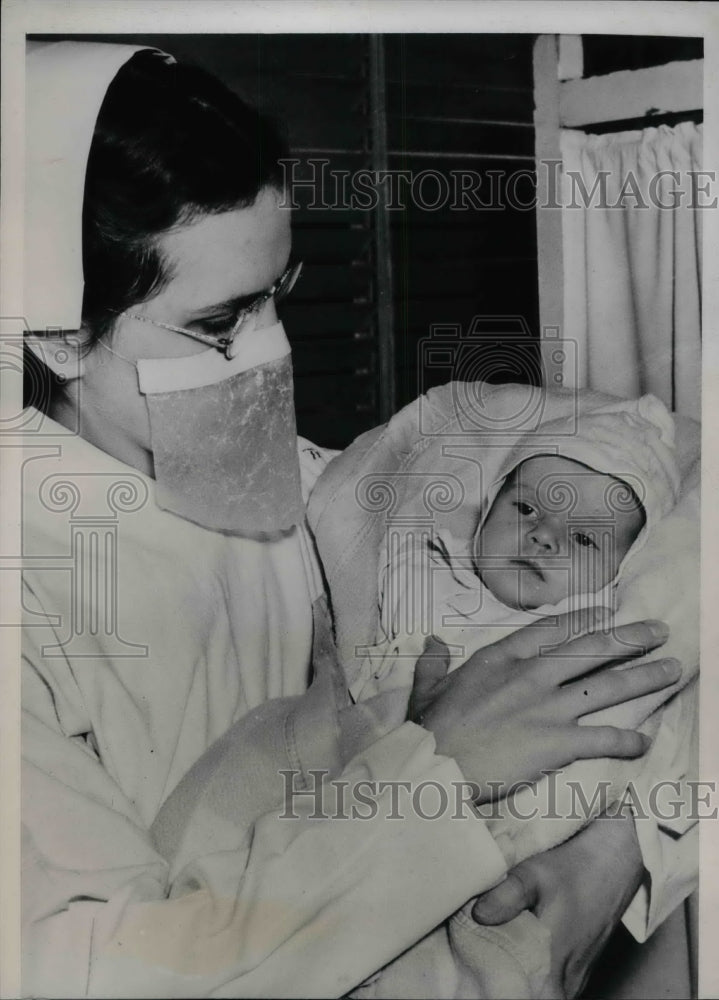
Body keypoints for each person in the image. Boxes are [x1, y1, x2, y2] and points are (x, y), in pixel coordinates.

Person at [20, 40, 682, 998]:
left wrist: (613, 854)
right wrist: (439, 774)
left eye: (278, 296)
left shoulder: (271, 472)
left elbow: (675, 530)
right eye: (220, 322)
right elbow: (109, 970)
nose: (271, 351)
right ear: (54, 337)